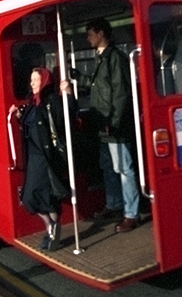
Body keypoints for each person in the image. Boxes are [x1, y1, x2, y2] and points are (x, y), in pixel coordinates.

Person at [78, 17, 140, 233]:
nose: (88, 38)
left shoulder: (115, 58)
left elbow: (121, 93)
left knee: (124, 169)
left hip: (114, 125)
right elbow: (99, 85)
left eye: (91, 33)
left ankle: (131, 213)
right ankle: (114, 204)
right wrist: (80, 78)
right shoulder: (102, 59)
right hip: (102, 123)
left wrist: (113, 123)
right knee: (108, 167)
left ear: (101, 34)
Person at [9, 68, 72, 252]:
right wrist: (19, 116)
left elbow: (65, 118)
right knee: (36, 197)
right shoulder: (32, 103)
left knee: (35, 196)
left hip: (45, 157)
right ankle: (52, 227)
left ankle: (51, 229)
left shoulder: (51, 102)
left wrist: (68, 95)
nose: (32, 83)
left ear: (44, 81)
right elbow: (30, 126)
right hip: (34, 157)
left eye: (35, 80)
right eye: (31, 80)